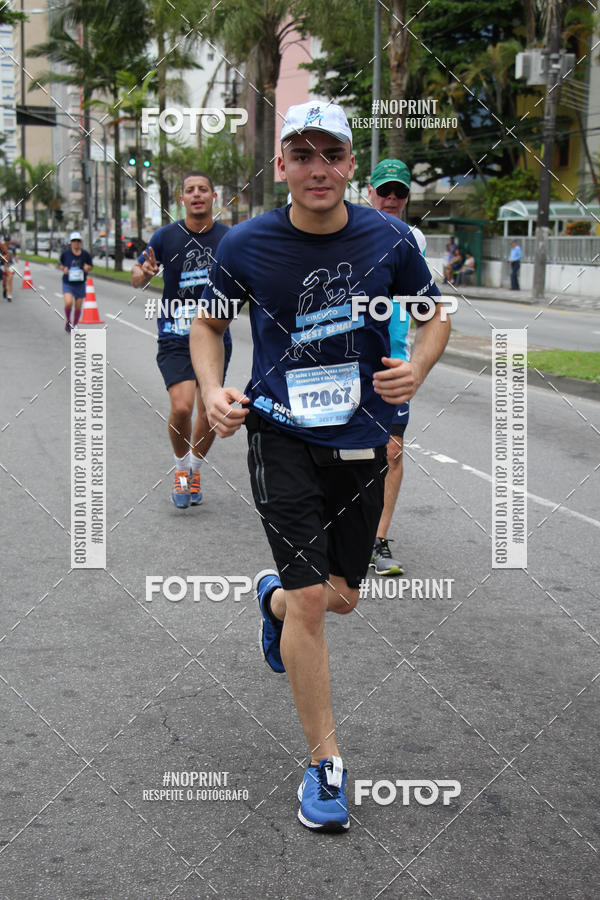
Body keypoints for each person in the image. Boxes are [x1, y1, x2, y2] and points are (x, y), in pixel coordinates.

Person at [190, 101, 450, 833]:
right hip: (279, 433)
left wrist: (419, 368)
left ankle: (271, 600)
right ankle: (325, 765)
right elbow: (208, 323)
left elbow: (435, 315)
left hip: (362, 437)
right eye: (301, 155)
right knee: (314, 604)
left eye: (330, 154)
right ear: (281, 166)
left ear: (349, 165)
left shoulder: (389, 239)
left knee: (340, 596)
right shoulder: (246, 244)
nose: (317, 169)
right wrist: (212, 389)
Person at [131, 172, 230, 508]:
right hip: (175, 334)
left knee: (209, 410)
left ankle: (195, 470)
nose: (196, 194)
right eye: (190, 190)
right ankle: (181, 469)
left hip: (214, 334)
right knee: (182, 406)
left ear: (214, 197)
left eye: (203, 189)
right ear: (182, 199)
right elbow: (136, 275)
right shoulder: (166, 236)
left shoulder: (228, 238)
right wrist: (143, 274)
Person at [366, 158, 426, 576]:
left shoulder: (413, 239)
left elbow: (425, 304)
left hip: (394, 359)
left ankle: (378, 540)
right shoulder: (348, 230)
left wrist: (416, 361)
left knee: (391, 451)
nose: (391, 198)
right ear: (370, 191)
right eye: (384, 190)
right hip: (348, 359)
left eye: (399, 192)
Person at [60, 232, 92, 331]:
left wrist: (87, 267)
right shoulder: (66, 254)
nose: (76, 243)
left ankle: (75, 323)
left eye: (78, 241)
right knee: (68, 302)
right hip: (68, 282)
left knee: (78, 306)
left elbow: (90, 266)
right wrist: (64, 269)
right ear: (71, 242)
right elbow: (61, 264)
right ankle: (68, 321)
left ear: (80, 242)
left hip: (80, 283)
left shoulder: (85, 254)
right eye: (74, 241)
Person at [1, 234, 18, 301]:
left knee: (10, 278)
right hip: (2, 264)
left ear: (10, 241)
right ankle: (5, 289)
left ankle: (9, 295)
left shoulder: (12, 247)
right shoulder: (1, 247)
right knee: (4, 282)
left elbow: (15, 255)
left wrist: (16, 258)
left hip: (10, 264)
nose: (7, 242)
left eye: (8, 240)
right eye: (6, 240)